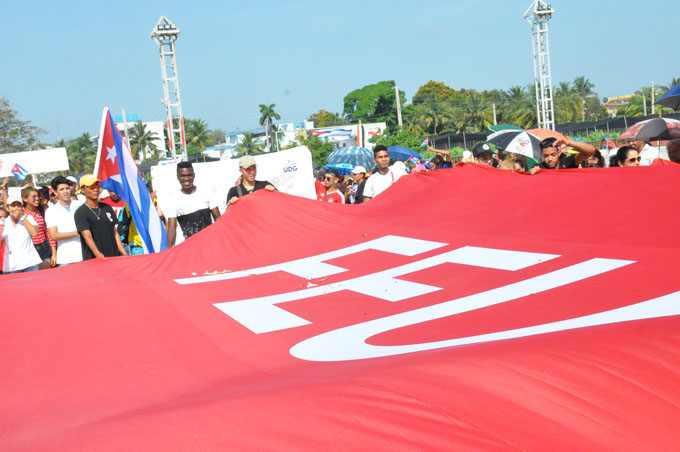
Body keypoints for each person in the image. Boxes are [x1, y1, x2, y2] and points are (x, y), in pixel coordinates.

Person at [167, 161, 221, 248]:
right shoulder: (173, 200)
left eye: (189, 175)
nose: (186, 178)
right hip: (190, 248)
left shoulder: (206, 192)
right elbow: (171, 227)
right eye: (182, 176)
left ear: (194, 175)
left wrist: (223, 238)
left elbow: (218, 218)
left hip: (210, 243)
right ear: (178, 177)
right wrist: (170, 246)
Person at [74, 174, 127, 260]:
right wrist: (98, 255)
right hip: (94, 259)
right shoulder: (80, 212)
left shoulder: (107, 207)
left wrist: (123, 252)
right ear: (83, 190)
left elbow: (115, 232)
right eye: (91, 187)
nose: (95, 189)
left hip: (114, 256)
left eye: (97, 186)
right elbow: (87, 236)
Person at [45, 176, 83, 266]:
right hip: (65, 258)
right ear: (55, 192)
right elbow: (54, 235)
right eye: (61, 189)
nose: (65, 191)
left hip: (83, 254)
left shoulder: (80, 206)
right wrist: (77, 232)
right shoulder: (51, 211)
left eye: (67, 188)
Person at [2, 194, 42, 273]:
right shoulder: (4, 223)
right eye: (13, 205)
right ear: (8, 207)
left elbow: (34, 233)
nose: (16, 208)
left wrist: (22, 218)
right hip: (12, 265)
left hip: (30, 263)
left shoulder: (28, 218)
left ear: (22, 207)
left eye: (19, 205)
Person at [22, 186, 56, 269]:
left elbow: (48, 232)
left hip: (45, 246)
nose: (37, 198)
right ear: (25, 199)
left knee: (47, 274)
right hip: (30, 249)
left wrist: (54, 253)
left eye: (38, 196)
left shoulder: (42, 210)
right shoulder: (21, 214)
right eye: (33, 196)